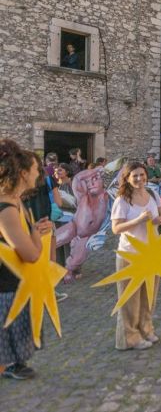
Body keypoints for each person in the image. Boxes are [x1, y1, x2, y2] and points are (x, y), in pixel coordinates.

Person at [0, 139, 54, 380]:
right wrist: (36, 234)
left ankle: (15, 364)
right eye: (35, 169)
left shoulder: (16, 202)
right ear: (22, 173)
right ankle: (10, 365)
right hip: (6, 285)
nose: (38, 173)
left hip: (18, 282)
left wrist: (37, 231)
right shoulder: (6, 208)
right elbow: (30, 254)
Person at [111, 161, 161, 350]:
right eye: (135, 175)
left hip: (152, 253)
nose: (139, 178)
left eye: (142, 175)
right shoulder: (122, 200)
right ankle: (130, 337)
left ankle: (146, 329)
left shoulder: (152, 193)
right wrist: (138, 220)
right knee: (130, 299)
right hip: (130, 254)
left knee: (149, 295)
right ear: (126, 178)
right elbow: (116, 228)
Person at [21, 154, 67, 302]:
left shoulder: (17, 182)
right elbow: (58, 202)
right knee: (49, 259)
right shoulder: (47, 180)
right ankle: (49, 291)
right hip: (46, 223)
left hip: (25, 225)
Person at [54, 166, 112, 282]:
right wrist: (94, 171)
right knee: (52, 241)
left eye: (95, 179)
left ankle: (69, 271)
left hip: (87, 235)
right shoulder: (84, 196)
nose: (91, 183)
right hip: (74, 226)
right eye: (89, 181)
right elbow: (77, 179)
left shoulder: (109, 197)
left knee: (76, 259)